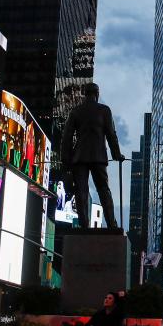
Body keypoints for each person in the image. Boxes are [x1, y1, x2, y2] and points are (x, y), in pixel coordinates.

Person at [60, 83, 126, 229]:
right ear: (97, 93)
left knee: (81, 191)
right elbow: (111, 134)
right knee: (103, 190)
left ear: (85, 94)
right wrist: (116, 154)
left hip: (80, 158)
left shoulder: (76, 111)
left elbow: (67, 138)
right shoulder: (104, 110)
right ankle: (111, 225)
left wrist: (66, 160)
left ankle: (84, 225)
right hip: (98, 157)